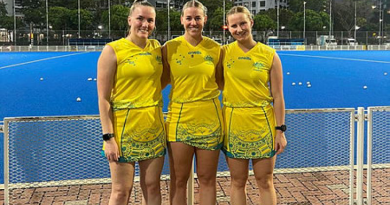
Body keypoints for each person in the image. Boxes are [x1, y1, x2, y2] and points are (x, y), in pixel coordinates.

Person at [97, 0, 165, 204]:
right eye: (140, 19)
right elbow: (103, 98)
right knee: (121, 191)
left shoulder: (157, 48)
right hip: (123, 131)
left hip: (153, 127)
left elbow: (160, 80)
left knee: (152, 187)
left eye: (150, 20)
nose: (145, 24)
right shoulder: (113, 50)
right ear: (130, 20)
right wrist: (109, 138)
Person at [220, 6, 288, 205]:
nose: (239, 29)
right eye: (234, 25)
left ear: (251, 23)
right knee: (237, 181)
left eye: (243, 23)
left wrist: (280, 131)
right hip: (234, 125)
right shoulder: (223, 53)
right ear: (228, 28)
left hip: (263, 125)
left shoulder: (269, 54)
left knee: (265, 181)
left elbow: (278, 96)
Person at [161, 0, 223, 204]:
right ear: (182, 20)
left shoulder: (216, 49)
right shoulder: (169, 48)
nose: (193, 22)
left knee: (207, 179)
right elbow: (159, 82)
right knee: (179, 180)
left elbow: (222, 82)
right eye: (189, 18)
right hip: (180, 120)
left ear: (205, 19)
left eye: (197, 18)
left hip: (210, 121)